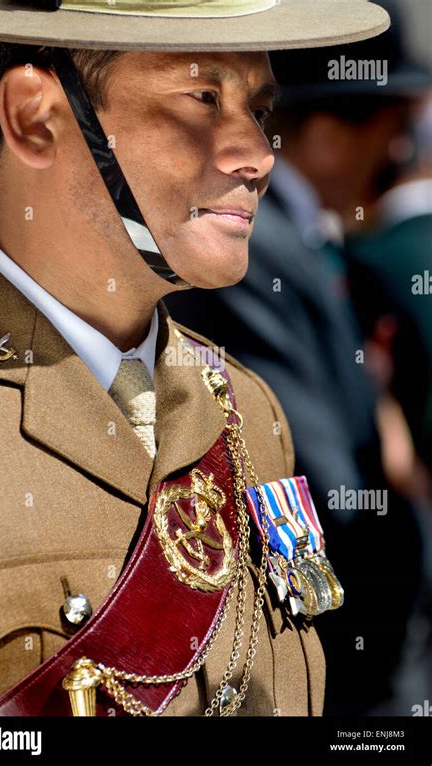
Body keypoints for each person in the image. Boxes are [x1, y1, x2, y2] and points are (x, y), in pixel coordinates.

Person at [0, 0, 390, 717]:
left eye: (257, 107)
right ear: (36, 119)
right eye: (204, 98)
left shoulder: (250, 408)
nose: (258, 153)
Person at [166, 1, 428, 715]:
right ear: (332, 135)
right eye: (397, 127)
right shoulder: (257, 256)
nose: (404, 155)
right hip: (341, 659)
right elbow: (301, 482)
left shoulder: (303, 245)